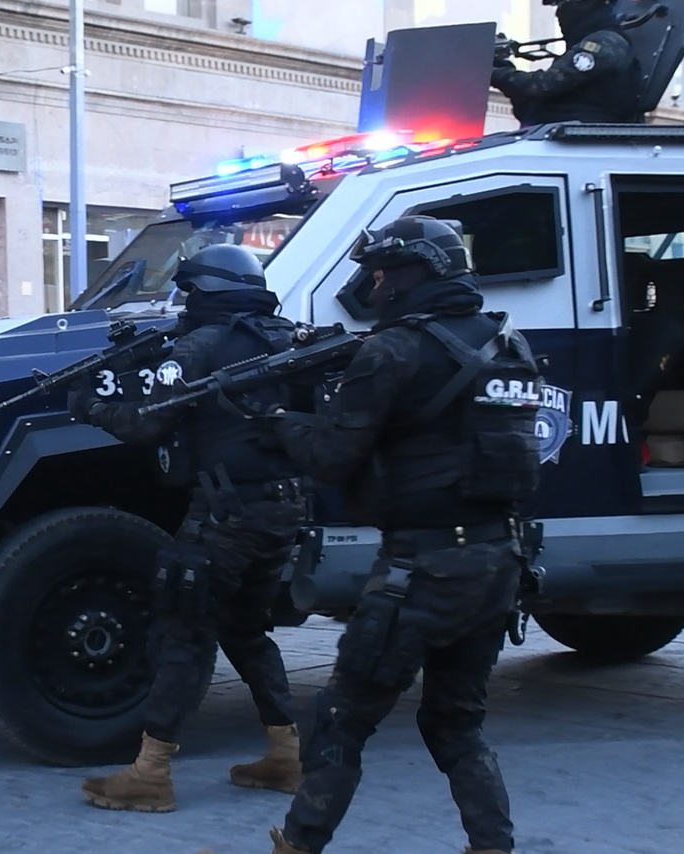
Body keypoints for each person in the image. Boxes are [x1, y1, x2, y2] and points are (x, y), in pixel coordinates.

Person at [263, 216, 541, 854]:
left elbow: (333, 458)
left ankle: (299, 846)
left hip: (422, 570)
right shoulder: (509, 344)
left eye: (384, 272)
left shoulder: (391, 350)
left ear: (417, 273)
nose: (375, 284)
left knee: (340, 719)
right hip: (498, 561)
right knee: (456, 724)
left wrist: (280, 419)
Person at [68, 243, 309, 813]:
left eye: (190, 292)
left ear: (207, 292)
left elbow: (148, 424)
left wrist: (88, 405)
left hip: (226, 514)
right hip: (283, 508)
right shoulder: (288, 339)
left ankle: (150, 774)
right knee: (247, 629)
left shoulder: (201, 344)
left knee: (182, 631)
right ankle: (286, 756)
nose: (185, 301)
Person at [491, 0, 642, 126]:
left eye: (563, 4)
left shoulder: (604, 43)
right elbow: (534, 97)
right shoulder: (586, 43)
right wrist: (501, 67)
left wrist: (495, 73)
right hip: (562, 134)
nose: (559, 13)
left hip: (582, 137)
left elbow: (544, 85)